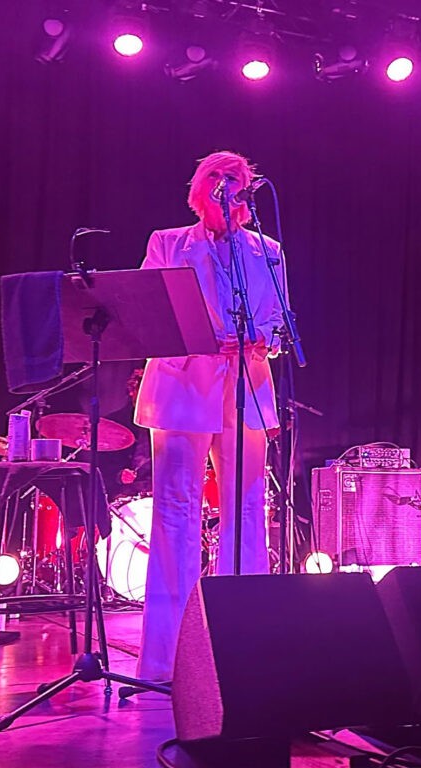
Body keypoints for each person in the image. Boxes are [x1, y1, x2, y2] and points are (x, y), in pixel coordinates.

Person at [133, 151, 285, 682]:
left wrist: (262, 339)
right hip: (183, 385)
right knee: (177, 509)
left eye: (239, 181)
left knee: (246, 507)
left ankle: (244, 644)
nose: (230, 189)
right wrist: (203, 342)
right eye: (219, 179)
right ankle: (170, 657)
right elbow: (149, 317)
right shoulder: (168, 243)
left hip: (247, 382)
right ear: (200, 189)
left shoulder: (268, 250)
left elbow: (280, 322)